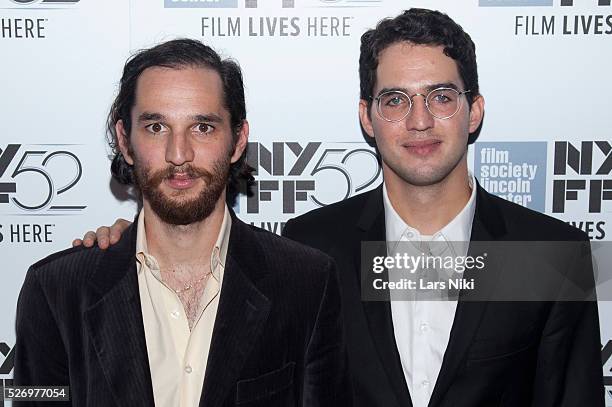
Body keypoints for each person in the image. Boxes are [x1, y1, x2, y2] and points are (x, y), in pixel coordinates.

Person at [75, 9, 605, 407]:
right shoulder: (309, 248)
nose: (419, 120)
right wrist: (126, 249)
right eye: (395, 99)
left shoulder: (547, 254)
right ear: (366, 118)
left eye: (441, 96)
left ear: (475, 112)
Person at [14, 39, 350, 407]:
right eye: (156, 127)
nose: (179, 154)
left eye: (202, 128)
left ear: (238, 141)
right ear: (125, 141)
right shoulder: (54, 291)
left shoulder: (306, 281)